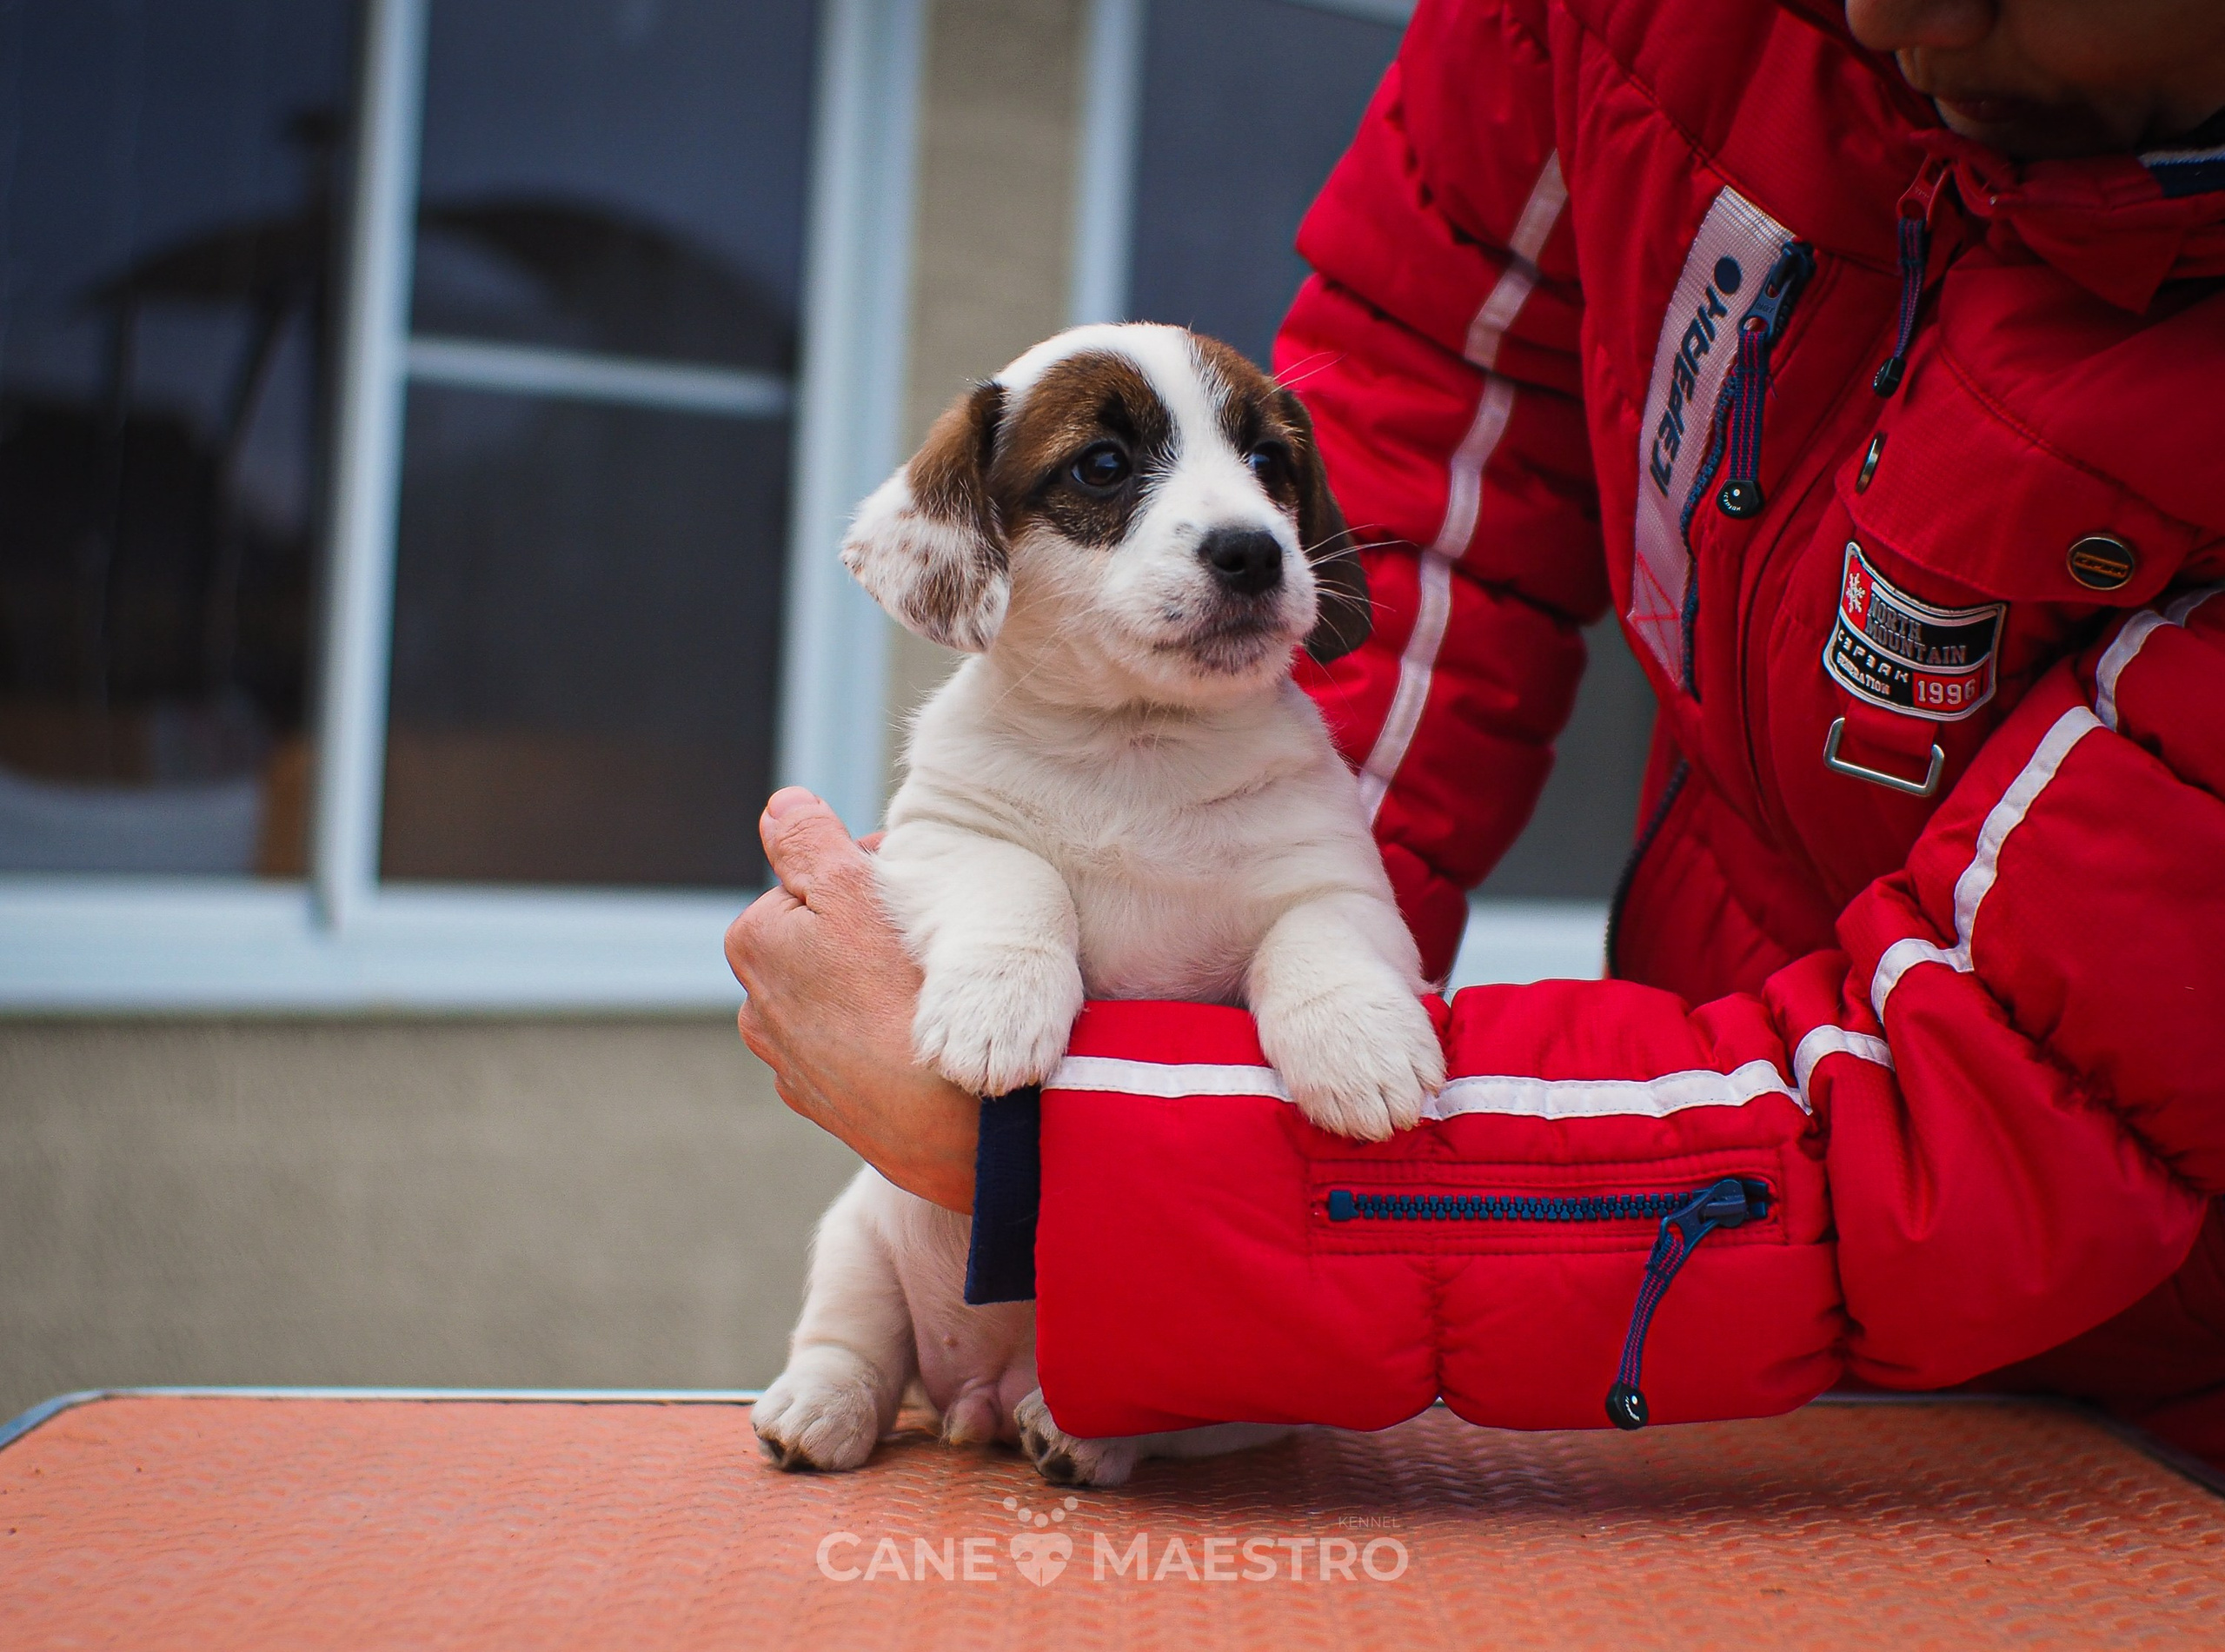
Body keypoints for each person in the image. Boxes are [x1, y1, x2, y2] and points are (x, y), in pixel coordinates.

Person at [727, 0, 2225, 1466]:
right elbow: (1439, 394)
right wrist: (1041, 975)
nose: (1895, 9)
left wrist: (1269, 1004)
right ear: (972, 553)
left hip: (2082, 1334)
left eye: (1263, 466)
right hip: (1735, 1266)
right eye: (1110, 470)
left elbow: (2041, 1091)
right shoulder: (1606, 32)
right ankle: (849, 1355)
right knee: (862, 1256)